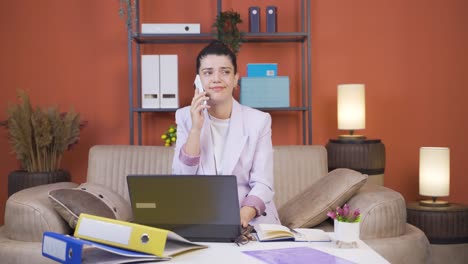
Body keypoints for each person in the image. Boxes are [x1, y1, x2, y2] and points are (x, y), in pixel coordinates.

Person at [172, 40, 280, 228]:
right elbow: (181, 179)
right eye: (208, 72)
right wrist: (196, 129)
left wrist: (242, 216)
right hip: (201, 218)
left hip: (250, 220)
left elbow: (263, 184)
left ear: (236, 79)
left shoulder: (259, 121)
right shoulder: (184, 117)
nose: (216, 79)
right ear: (198, 80)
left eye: (225, 72)